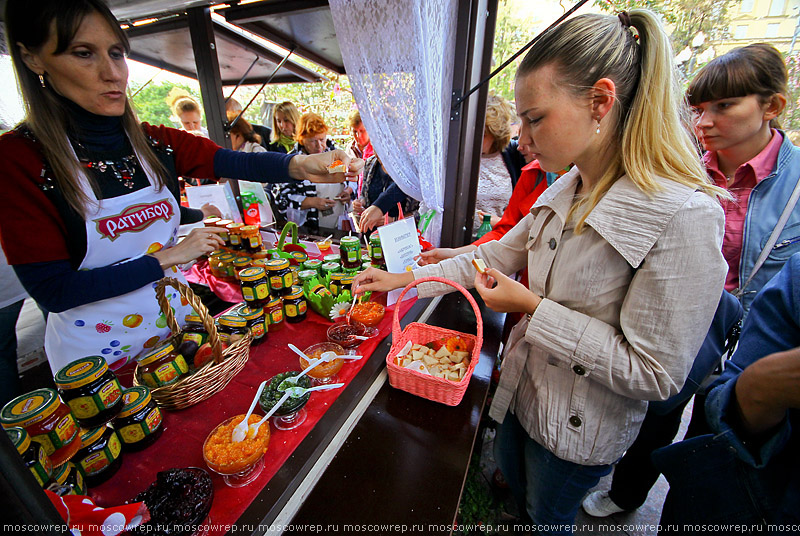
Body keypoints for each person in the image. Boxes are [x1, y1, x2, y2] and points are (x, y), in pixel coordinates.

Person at [354, 10, 728, 533]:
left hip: (579, 431)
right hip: (523, 393)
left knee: (548, 516)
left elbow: (656, 374)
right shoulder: (566, 186)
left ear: (600, 102)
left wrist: (532, 308)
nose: (522, 139)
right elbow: (501, 254)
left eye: (535, 118)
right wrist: (406, 279)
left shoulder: (685, 216)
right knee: (522, 495)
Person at [0, 0, 361, 374]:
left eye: (117, 53)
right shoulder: (19, 160)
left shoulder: (153, 142)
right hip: (102, 360)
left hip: (180, 330)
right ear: (33, 59)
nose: (112, 73)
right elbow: (53, 291)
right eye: (83, 53)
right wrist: (167, 257)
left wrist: (301, 164)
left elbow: (232, 161)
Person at [582, 42, 800, 518]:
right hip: (680, 322)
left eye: (724, 106)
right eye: (699, 108)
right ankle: (627, 493)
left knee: (718, 435)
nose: (705, 122)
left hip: (753, 340)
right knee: (654, 416)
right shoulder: (680, 167)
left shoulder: (797, 184)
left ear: (772, 107)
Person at [654, 252, 800, 529]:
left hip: (727, 328)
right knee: (684, 422)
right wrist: (766, 383)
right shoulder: (795, 277)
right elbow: (728, 407)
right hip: (755, 490)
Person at [273, 112, 354, 232]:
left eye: (322, 139)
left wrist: (348, 192)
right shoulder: (293, 161)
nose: (319, 145)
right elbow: (281, 198)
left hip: (339, 226)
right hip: (310, 229)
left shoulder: (337, 156)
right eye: (312, 141)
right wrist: (311, 202)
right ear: (302, 140)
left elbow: (353, 182)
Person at [472, 94, 516, 235]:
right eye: (472, 132)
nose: (476, 139)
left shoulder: (514, 157)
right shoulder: (460, 159)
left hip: (497, 241)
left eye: (483, 135)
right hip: (460, 244)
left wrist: (501, 222)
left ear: (496, 133)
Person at [353, 154, 417, 232]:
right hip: (373, 233)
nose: (378, 154)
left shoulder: (412, 168)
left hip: (403, 234)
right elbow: (364, 194)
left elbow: (423, 212)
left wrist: (394, 220)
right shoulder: (370, 163)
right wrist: (361, 202)